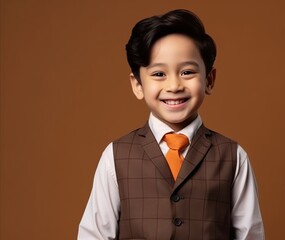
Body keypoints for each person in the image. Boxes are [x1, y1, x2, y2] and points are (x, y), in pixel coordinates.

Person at [78, 9, 265, 240]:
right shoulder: (115, 156)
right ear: (137, 84)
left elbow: (250, 235)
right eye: (158, 74)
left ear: (209, 80)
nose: (174, 85)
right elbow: (94, 235)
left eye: (187, 72)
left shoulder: (234, 156)